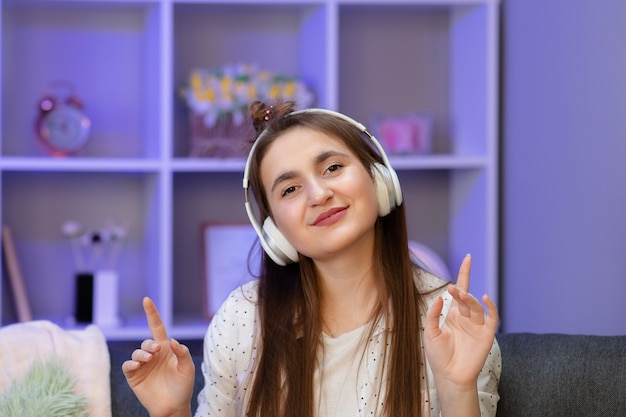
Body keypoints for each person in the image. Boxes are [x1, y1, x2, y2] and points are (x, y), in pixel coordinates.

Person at [122, 101, 501, 417]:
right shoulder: (241, 319)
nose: (318, 194)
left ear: (380, 180)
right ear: (274, 233)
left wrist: (457, 388)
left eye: (333, 168)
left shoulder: (452, 321)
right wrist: (172, 413)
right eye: (290, 189)